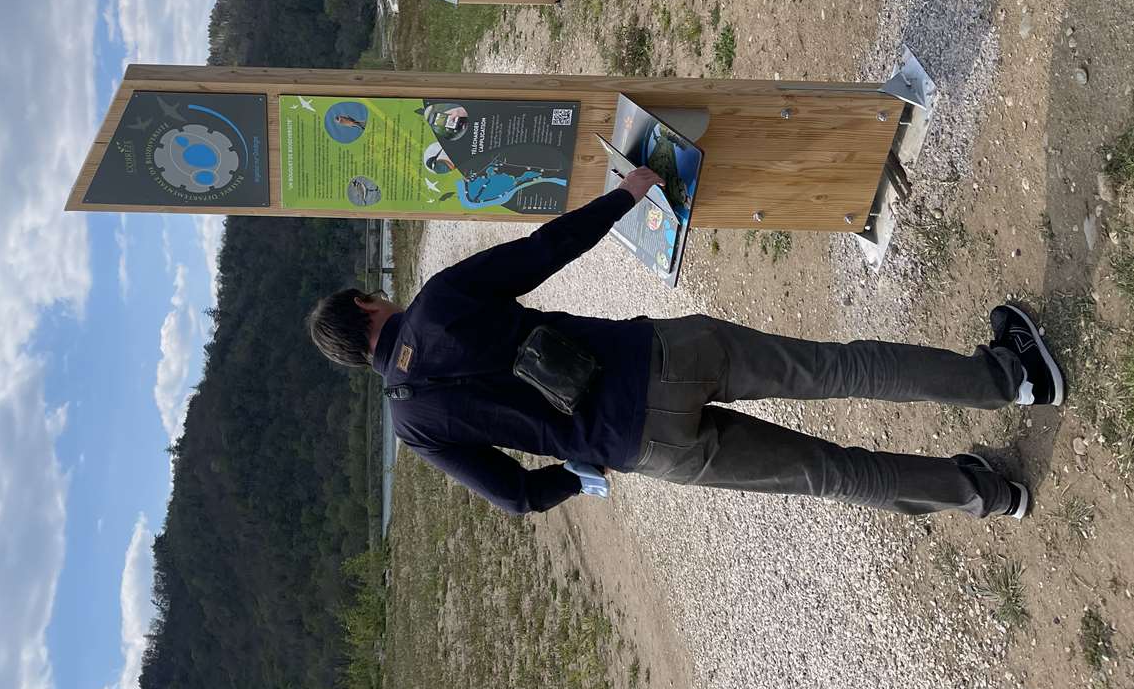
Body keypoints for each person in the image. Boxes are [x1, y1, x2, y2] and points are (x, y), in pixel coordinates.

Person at [305, 168, 1062, 519]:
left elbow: (519, 495)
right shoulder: (436, 304)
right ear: (370, 304)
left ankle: (986, 494)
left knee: (828, 475)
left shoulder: (411, 427)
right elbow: (547, 248)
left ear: (353, 357)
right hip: (663, 357)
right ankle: (1012, 380)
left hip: (646, 448)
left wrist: (584, 471)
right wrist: (627, 193)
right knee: (836, 367)